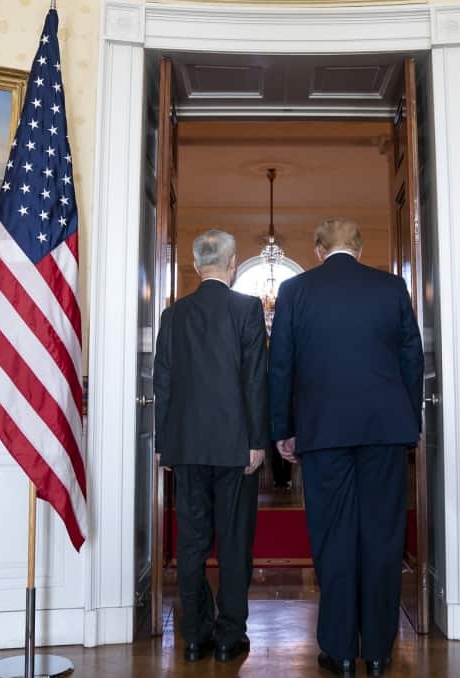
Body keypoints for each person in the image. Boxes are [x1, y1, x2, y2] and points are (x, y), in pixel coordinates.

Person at [269, 218, 423, 677]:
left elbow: (281, 365)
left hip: (322, 433)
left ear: (319, 250)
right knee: (383, 538)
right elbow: (412, 359)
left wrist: (283, 429)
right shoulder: (391, 287)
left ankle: (339, 651)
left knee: (332, 540)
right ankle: (376, 651)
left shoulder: (296, 291)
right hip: (385, 431)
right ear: (360, 247)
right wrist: (408, 421)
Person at [153, 229, 268, 663]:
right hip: (236, 446)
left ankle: (195, 636)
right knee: (234, 543)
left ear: (195, 264)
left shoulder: (174, 315)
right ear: (233, 264)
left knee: (191, 544)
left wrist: (164, 442)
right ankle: (228, 637)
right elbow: (255, 379)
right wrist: (257, 441)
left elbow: (162, 381)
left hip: (185, 446)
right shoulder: (247, 308)